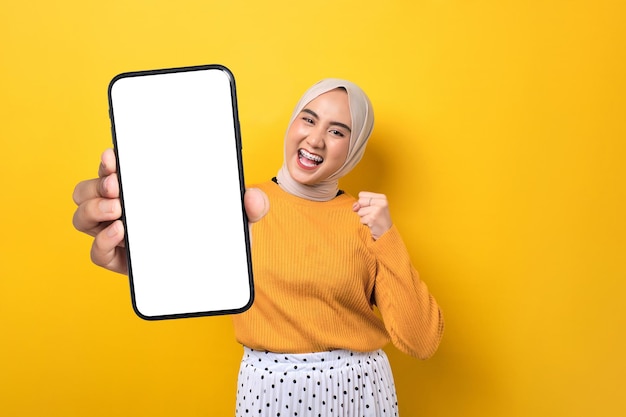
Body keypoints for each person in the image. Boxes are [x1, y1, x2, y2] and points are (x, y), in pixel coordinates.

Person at [73, 78, 444, 416]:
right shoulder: (240, 205)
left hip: (359, 393)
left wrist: (387, 235)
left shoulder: (365, 220)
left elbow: (422, 341)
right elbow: (184, 272)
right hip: (270, 393)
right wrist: (141, 254)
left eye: (337, 131)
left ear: (355, 147)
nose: (315, 140)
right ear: (293, 124)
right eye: (308, 119)